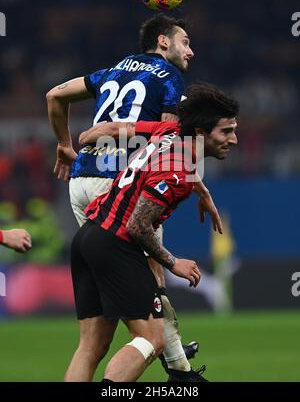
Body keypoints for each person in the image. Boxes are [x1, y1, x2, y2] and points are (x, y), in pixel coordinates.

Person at [47, 13, 222, 380]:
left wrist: (64, 144)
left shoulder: (112, 70)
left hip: (79, 183)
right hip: (118, 183)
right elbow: (171, 142)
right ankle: (177, 364)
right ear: (163, 42)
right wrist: (200, 188)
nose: (191, 51)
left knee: (96, 338)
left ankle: (172, 354)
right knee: (150, 275)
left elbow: (55, 95)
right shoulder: (171, 78)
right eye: (185, 42)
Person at [65, 83, 239, 382]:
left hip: (87, 238)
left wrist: (89, 135)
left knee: (91, 346)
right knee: (152, 339)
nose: (233, 139)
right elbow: (137, 225)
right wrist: (174, 263)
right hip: (114, 244)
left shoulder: (167, 132)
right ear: (200, 134)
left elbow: (122, 126)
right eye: (226, 132)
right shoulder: (178, 170)